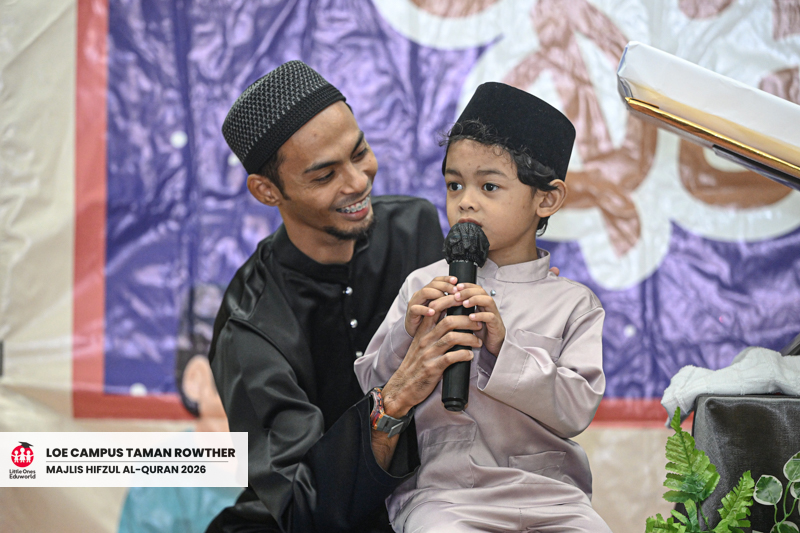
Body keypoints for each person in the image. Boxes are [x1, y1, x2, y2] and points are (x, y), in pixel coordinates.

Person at [207, 60, 461, 532]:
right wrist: (392, 401)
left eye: (359, 152)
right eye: (324, 176)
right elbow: (303, 508)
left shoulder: (415, 229)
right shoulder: (251, 324)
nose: (358, 181)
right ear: (267, 191)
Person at [355, 82, 610, 532]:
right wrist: (406, 334)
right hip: (445, 495)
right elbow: (371, 385)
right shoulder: (423, 285)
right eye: (454, 185)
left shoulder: (574, 304)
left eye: (489, 186)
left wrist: (502, 349)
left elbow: (575, 410)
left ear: (546, 199)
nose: (466, 201)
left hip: (552, 496)